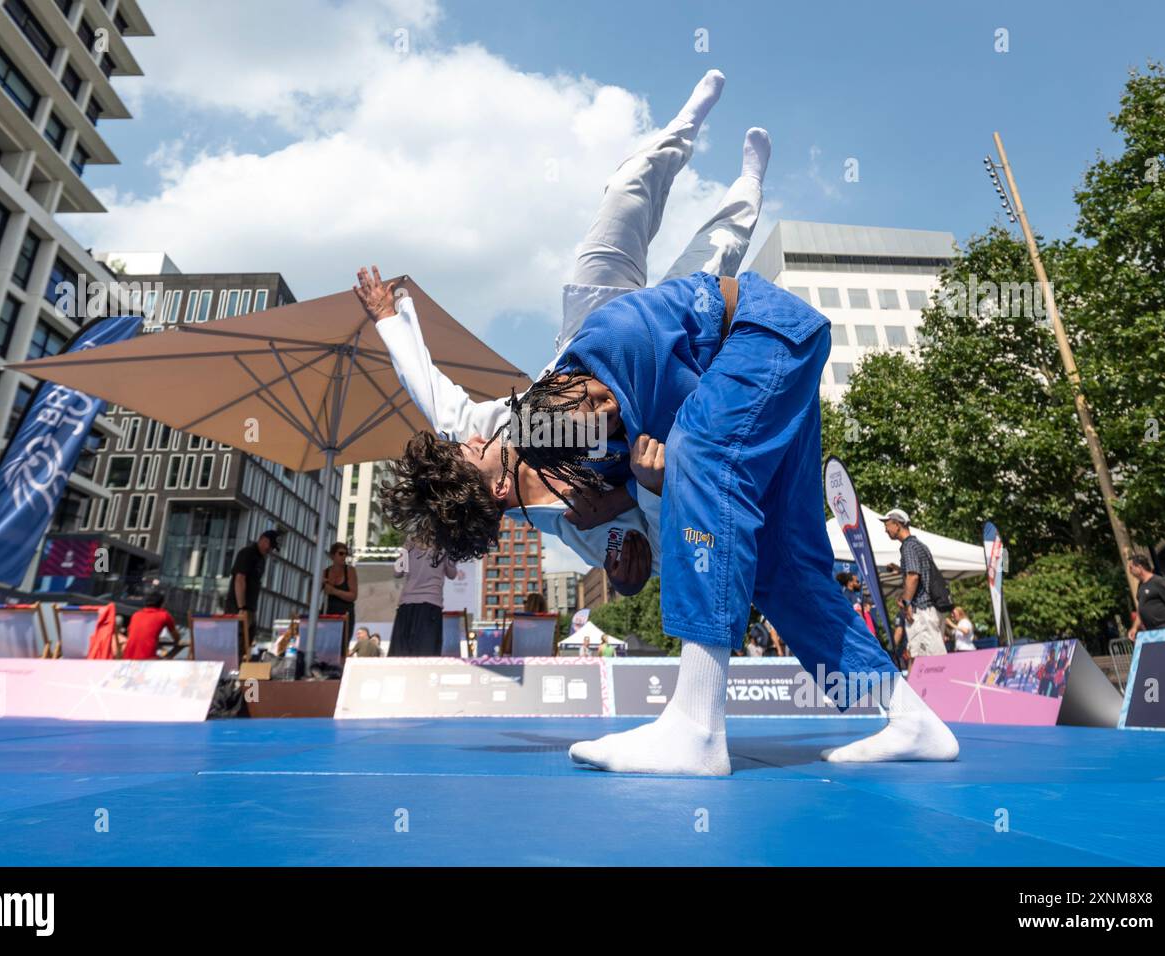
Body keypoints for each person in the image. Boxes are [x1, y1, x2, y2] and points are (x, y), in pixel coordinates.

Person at [384, 259, 960, 772]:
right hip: (771, 359)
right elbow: (664, 534)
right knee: (783, 571)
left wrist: (393, 316)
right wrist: (642, 496)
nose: (470, 440)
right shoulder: (535, 473)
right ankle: (910, 718)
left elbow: (601, 408)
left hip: (763, 332)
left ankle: (697, 727)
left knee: (699, 453)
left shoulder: (529, 425)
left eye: (470, 444)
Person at [361, 69, 768, 596]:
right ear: (501, 485)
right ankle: (751, 183)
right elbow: (665, 557)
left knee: (625, 192)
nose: (475, 436)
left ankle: (684, 127)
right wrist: (640, 510)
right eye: (473, 449)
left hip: (593, 330)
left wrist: (387, 320)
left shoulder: (480, 436)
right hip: (657, 378)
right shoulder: (576, 523)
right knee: (718, 255)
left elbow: (428, 389)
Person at [882, 509, 948, 660]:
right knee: (928, 658)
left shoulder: (908, 546)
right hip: (930, 609)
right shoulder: (919, 545)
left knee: (931, 661)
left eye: (887, 525)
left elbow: (913, 576)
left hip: (922, 611)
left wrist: (906, 602)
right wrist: (900, 570)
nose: (885, 530)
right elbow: (920, 572)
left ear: (897, 524)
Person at [389, 541, 457, 656]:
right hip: (430, 604)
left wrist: (405, 551)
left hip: (407, 604)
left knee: (401, 653)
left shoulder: (409, 545)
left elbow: (397, 572)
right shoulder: (445, 547)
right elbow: (452, 574)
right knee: (426, 654)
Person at [225, 530, 282, 633]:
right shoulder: (247, 553)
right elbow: (240, 579)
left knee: (246, 640)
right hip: (238, 608)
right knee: (238, 641)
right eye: (270, 546)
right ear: (263, 540)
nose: (270, 550)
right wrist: (242, 608)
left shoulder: (261, 559)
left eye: (273, 548)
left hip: (249, 608)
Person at [1126, 554, 1165, 639]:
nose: (1129, 571)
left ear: (1140, 568)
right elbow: (1141, 611)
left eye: (1131, 567)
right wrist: (1134, 628)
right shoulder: (1141, 585)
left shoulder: (1159, 582)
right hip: (1152, 632)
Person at [122, 591, 179, 660]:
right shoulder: (164, 615)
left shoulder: (136, 614)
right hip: (148, 658)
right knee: (171, 662)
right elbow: (176, 637)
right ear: (162, 603)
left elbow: (130, 634)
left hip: (127, 657)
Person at [323, 542, 358, 645]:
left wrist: (334, 591)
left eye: (346, 554)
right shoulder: (325, 572)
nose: (344, 556)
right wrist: (317, 585)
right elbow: (311, 598)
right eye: (341, 553)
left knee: (342, 647)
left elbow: (353, 596)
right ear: (332, 555)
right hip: (328, 614)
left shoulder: (350, 571)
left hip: (345, 616)